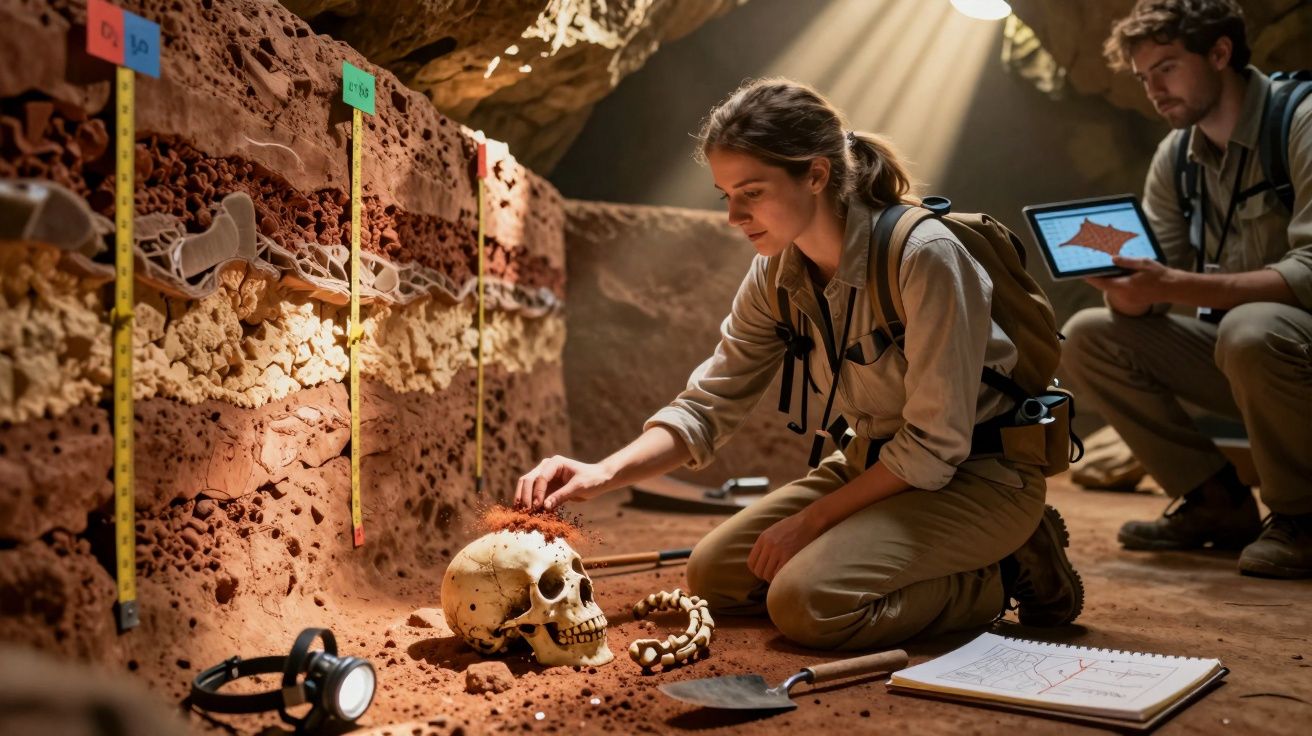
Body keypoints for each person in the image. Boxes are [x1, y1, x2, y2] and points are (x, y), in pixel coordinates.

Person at [515, 78, 1083, 650]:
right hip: (872, 465)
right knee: (714, 576)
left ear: (815, 174)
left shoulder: (923, 257)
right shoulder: (777, 273)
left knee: (807, 605)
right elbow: (708, 404)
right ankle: (908, 558)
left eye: (752, 192)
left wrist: (811, 522)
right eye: (726, 195)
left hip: (978, 475)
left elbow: (936, 448)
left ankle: (1004, 570)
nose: (735, 215)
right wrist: (602, 473)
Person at [1063, 0, 1312, 578]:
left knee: (1251, 328)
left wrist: (1174, 283)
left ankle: (1303, 519)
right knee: (1089, 334)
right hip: (1245, 360)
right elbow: (1159, 277)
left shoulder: (1300, 121)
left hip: (1285, 352)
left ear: (1220, 53)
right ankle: (1215, 505)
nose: (1154, 89)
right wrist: (1128, 288)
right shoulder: (1176, 157)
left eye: (1168, 67)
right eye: (1143, 77)